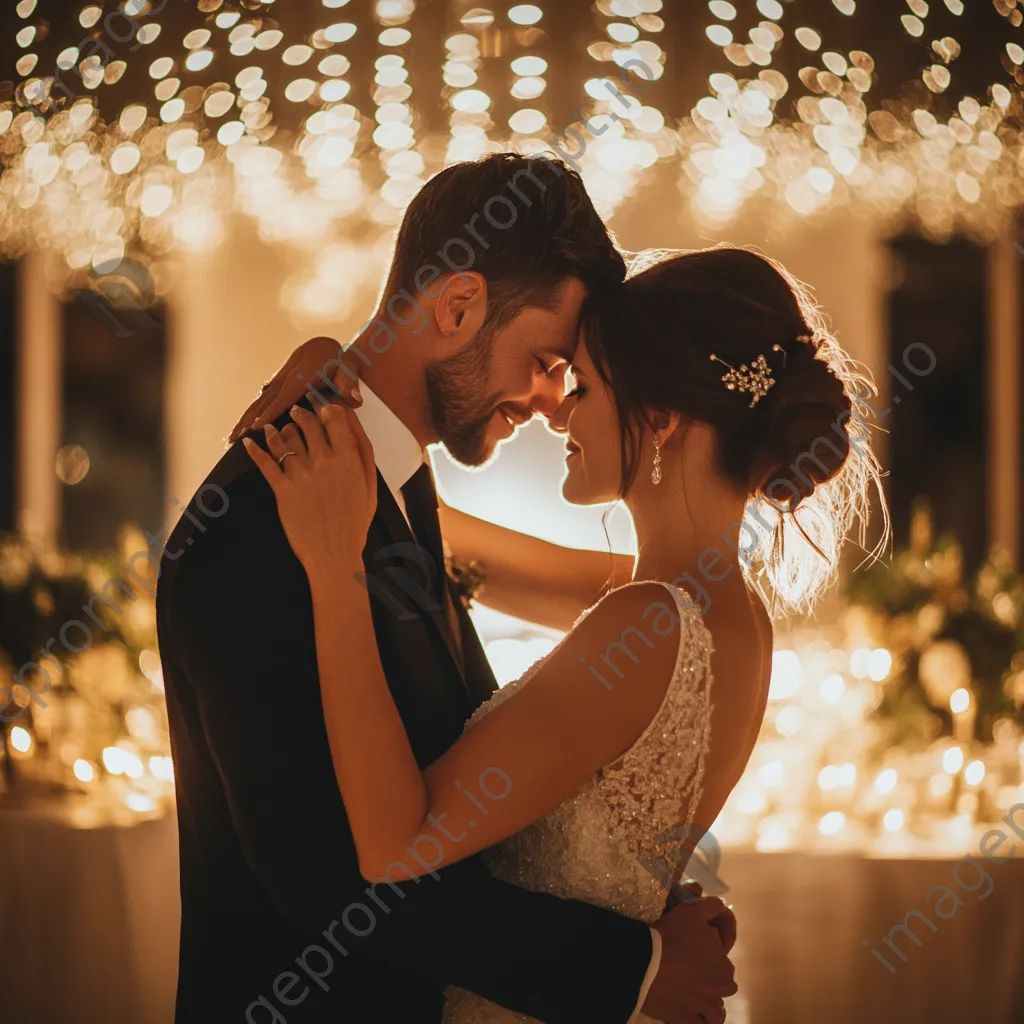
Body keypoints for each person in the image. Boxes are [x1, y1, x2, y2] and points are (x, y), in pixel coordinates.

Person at [156, 153, 740, 1024]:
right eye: (547, 359)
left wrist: (628, 889)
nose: (554, 403)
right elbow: (323, 875)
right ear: (458, 305)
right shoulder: (264, 517)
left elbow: (450, 766)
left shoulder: (399, 484)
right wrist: (628, 968)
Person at [235, 245, 887, 1023]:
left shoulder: (646, 624)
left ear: (662, 415)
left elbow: (392, 846)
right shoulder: (723, 609)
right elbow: (436, 534)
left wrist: (333, 568)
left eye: (583, 385)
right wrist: (343, 381)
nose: (559, 413)